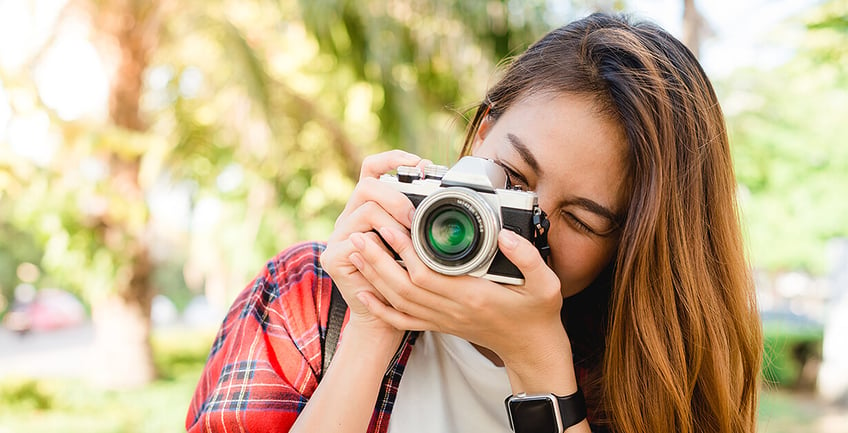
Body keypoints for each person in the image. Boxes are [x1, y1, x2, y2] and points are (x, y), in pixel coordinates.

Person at [186, 12, 762, 433]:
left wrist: (540, 363)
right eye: (512, 177)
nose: (526, 226)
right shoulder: (313, 295)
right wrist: (373, 326)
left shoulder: (645, 370)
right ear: (482, 132)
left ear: (631, 245)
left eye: (581, 221)